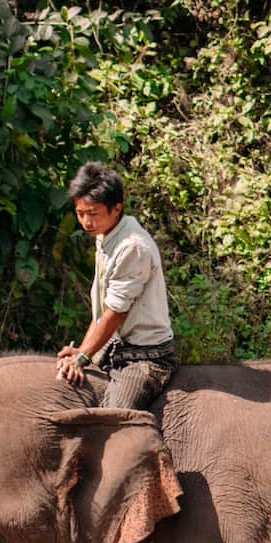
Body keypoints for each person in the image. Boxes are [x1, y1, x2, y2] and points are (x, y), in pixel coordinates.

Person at [56, 162, 176, 409]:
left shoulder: (132, 246)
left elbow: (115, 313)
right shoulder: (105, 236)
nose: (86, 222)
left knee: (112, 419)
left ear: (116, 209)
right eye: (80, 214)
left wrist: (83, 356)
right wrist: (83, 350)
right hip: (115, 345)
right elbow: (103, 309)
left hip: (145, 357)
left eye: (93, 213)